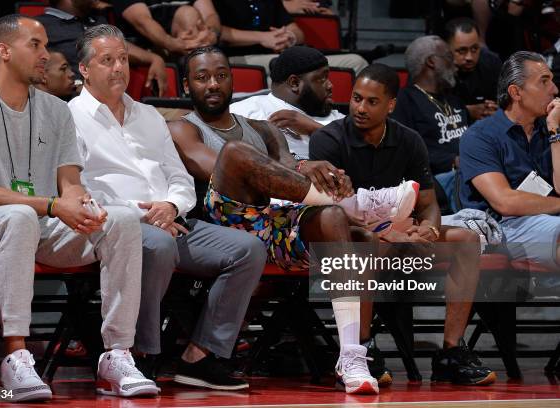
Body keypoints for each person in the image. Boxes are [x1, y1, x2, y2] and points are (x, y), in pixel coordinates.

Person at [169, 46, 421, 395]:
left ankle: (351, 356)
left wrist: (314, 169)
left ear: (232, 80)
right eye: (202, 77)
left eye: (221, 75)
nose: (213, 83)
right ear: (187, 86)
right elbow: (212, 168)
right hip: (224, 226)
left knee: (337, 222)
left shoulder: (264, 128)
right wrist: (298, 175)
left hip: (273, 226)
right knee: (235, 153)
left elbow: (288, 166)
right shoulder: (181, 129)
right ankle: (358, 206)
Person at [0, 15, 157, 401]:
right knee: (20, 214)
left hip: (38, 224)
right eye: (36, 45)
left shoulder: (56, 110)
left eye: (46, 45)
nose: (47, 54)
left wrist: (84, 206)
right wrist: (51, 204)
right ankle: (16, 356)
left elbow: (70, 184)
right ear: (4, 51)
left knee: (123, 220)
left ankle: (117, 355)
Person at [68, 24, 266, 391]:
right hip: (114, 223)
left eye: (124, 59)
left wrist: (171, 206)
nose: (118, 68)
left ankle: (201, 355)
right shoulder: (70, 117)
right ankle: (139, 355)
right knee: (157, 245)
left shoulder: (148, 115)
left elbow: (179, 177)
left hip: (172, 220)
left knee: (249, 249)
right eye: (107, 60)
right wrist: (146, 213)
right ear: (84, 69)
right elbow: (81, 189)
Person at [310, 63, 497, 386]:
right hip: (349, 235)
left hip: (397, 230)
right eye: (356, 99)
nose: (360, 108)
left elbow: (428, 204)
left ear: (391, 105)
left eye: (371, 101)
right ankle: (362, 347)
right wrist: (389, 231)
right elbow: (333, 213)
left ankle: (451, 353)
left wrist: (428, 229)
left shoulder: (409, 141)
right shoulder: (327, 140)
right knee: (367, 241)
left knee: (466, 239)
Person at [460, 51, 560, 268]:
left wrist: (555, 132)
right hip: (502, 227)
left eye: (552, 80)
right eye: (544, 82)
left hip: (549, 220)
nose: (555, 89)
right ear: (516, 92)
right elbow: (504, 202)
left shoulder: (552, 128)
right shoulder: (479, 136)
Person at [392, 35, 469, 213]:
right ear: (432, 62)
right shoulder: (405, 100)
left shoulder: (454, 99)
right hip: (438, 179)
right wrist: (452, 160)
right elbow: (406, 149)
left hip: (470, 170)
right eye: (449, 57)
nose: (455, 63)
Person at [230, 46, 344, 160]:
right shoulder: (245, 111)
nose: (330, 85)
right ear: (294, 83)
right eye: (321, 79)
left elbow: (358, 154)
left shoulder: (339, 121)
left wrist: (314, 128)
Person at [37, 0, 167, 94]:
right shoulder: (40, 26)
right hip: (72, 99)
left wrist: (154, 58)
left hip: (112, 96)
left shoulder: (97, 20)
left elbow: (118, 46)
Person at [211, 0, 367, 76]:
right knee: (285, 71)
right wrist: (263, 38)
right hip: (239, 59)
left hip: (279, 56)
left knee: (356, 62)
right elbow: (215, 33)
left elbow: (296, 30)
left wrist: (289, 37)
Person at [442, 17, 501, 122]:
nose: (469, 57)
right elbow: (429, 112)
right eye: (461, 51)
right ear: (446, 49)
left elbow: (507, 103)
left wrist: (495, 109)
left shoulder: (492, 63)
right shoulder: (436, 70)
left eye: (475, 49)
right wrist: (467, 112)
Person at [114, 0, 220, 55]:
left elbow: (210, 15)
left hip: (192, 43)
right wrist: (172, 44)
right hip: (148, 48)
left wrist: (210, 33)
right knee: (188, 14)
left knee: (189, 15)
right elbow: (142, 21)